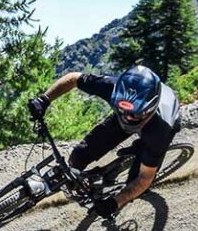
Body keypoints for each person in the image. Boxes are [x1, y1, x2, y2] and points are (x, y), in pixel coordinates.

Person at [26, 64, 181, 219]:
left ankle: (123, 190)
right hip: (139, 111)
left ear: (149, 109)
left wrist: (115, 203)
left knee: (136, 179)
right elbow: (73, 78)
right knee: (80, 154)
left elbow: (144, 179)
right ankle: (90, 181)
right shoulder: (113, 88)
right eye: (122, 111)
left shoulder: (161, 131)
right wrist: (44, 99)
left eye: (133, 115)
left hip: (157, 125)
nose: (127, 118)